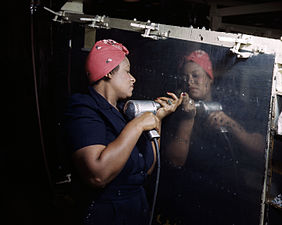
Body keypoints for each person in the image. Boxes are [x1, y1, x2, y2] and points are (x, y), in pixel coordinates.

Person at [63, 39, 183, 225]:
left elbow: (147, 169)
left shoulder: (121, 112)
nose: (133, 78)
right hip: (105, 214)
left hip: (135, 209)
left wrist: (157, 119)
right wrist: (137, 126)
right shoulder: (84, 109)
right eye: (127, 72)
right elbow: (97, 175)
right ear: (109, 72)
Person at [156, 50, 266, 225]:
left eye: (196, 75)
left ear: (209, 78)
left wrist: (231, 124)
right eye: (185, 77)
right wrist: (187, 119)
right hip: (187, 199)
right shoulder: (175, 111)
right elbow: (175, 161)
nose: (190, 82)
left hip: (224, 198)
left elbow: (261, 150)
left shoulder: (232, 105)